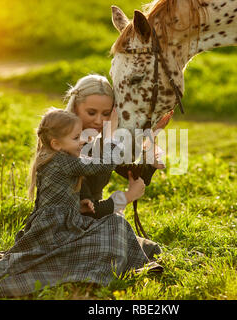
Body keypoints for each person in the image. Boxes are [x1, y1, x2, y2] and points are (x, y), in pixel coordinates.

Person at [0, 108, 161, 297]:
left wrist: (76, 206)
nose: (83, 140)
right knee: (115, 225)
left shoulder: (51, 156)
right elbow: (102, 165)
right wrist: (110, 136)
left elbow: (57, 196)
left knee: (115, 223)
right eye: (76, 138)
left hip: (61, 220)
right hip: (57, 228)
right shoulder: (62, 161)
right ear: (56, 144)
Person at [64, 74, 172, 259]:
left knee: (150, 250)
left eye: (106, 114)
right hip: (71, 227)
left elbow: (137, 177)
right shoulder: (70, 150)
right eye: (91, 113)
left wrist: (152, 134)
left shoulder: (98, 143)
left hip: (94, 221)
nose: (99, 121)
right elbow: (88, 210)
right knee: (120, 234)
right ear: (75, 107)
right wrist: (128, 196)